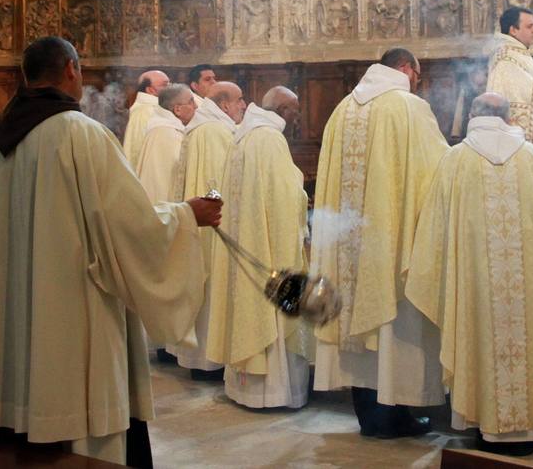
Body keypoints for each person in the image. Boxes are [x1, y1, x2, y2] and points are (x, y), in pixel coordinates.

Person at [0, 36, 222, 465]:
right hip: (69, 315)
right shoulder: (80, 134)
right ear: (72, 70)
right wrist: (188, 215)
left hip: (8, 322)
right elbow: (129, 226)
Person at [408, 93, 533, 456]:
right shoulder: (531, 157)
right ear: (508, 116)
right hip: (528, 288)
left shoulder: (455, 160)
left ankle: (487, 423)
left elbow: (435, 233)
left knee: (477, 333)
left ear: (472, 116)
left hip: (477, 288)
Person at [312, 48, 449, 438]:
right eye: (417, 76)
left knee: (355, 323)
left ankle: (370, 416)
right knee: (393, 322)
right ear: (407, 69)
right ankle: (395, 412)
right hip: (388, 242)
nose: (416, 84)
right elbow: (435, 172)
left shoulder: (341, 110)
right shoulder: (407, 108)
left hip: (348, 242)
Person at [206, 87, 311, 409]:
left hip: (248, 241)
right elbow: (284, 197)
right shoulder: (268, 139)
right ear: (280, 108)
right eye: (293, 109)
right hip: (267, 244)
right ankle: (275, 393)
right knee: (273, 312)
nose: (297, 116)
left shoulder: (243, 136)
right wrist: (302, 206)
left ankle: (246, 390)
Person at [167, 81, 245, 377]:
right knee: (212, 289)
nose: (243, 106)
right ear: (225, 104)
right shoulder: (214, 131)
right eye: (239, 100)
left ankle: (202, 359)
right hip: (211, 226)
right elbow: (217, 183)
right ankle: (208, 360)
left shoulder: (203, 126)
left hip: (197, 224)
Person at [486, 6, 533, 144]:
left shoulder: (518, 53)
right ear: (513, 30)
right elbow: (528, 90)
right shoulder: (505, 57)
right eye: (530, 26)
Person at [135, 84, 196, 205]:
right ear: (177, 109)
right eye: (191, 102)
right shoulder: (166, 133)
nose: (196, 106)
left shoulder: (164, 128)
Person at [123, 69, 170, 167]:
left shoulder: (158, 108)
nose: (170, 88)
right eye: (165, 85)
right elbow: (137, 148)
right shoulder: (144, 112)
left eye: (170, 84)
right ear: (150, 90)